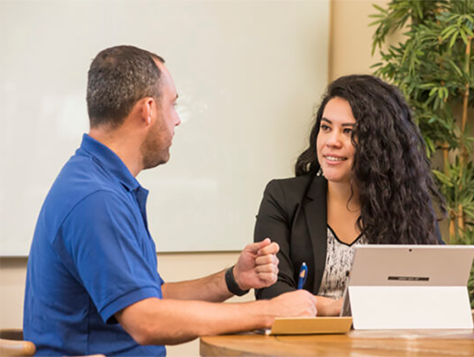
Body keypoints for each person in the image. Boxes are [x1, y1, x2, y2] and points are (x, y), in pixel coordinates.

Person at [23, 45, 317, 357]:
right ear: (148, 109)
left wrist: (233, 279)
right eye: (172, 105)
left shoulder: (101, 182)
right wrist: (269, 313)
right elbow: (146, 321)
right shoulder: (96, 199)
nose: (176, 120)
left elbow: (152, 298)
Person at [253, 75, 445, 316]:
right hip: (305, 345)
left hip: (382, 345)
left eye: (348, 131)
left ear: (379, 143)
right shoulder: (282, 196)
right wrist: (337, 308)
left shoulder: (409, 203)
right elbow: (269, 289)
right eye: (326, 127)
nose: (332, 141)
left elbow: (438, 285)